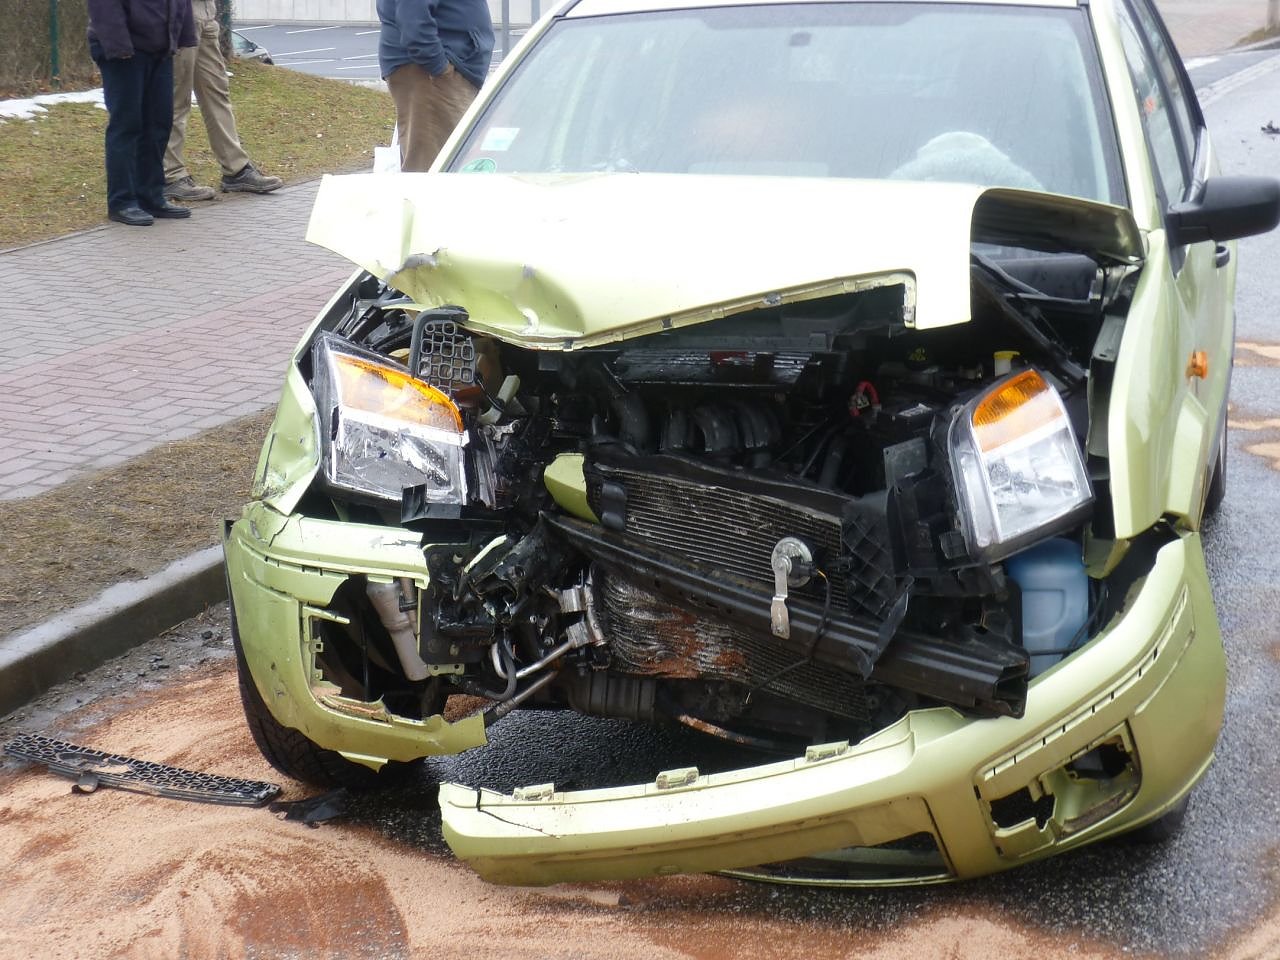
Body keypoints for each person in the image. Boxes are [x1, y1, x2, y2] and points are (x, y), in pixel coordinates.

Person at [87, 0, 197, 226]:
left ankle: (151, 196)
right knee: (127, 125)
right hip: (124, 50)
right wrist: (119, 45)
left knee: (159, 123)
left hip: (160, 50)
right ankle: (122, 202)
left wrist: (183, 36)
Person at [163, 0, 283, 201]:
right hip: (181, 12)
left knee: (217, 92)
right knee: (177, 99)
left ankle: (236, 169)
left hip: (206, 13)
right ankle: (171, 175)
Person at [376, 0, 495, 172]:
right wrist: (439, 68)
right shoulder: (434, 74)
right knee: (431, 169)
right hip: (429, 74)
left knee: (442, 164)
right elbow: (413, 17)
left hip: (436, 72)